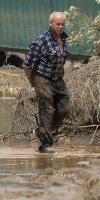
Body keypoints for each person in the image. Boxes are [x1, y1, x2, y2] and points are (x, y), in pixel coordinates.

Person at [23, 12, 70, 153]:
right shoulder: (41, 41)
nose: (60, 27)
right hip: (43, 79)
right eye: (58, 24)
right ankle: (45, 145)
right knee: (47, 111)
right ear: (51, 24)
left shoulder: (63, 39)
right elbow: (28, 66)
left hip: (58, 80)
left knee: (64, 109)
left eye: (62, 24)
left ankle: (41, 131)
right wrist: (33, 81)